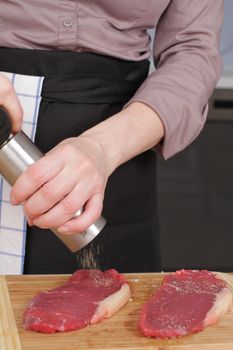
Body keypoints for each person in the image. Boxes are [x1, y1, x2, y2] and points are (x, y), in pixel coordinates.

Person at [0, 1, 224, 274]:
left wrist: (102, 149)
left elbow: (192, 51)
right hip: (5, 108)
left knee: (108, 304)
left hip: (121, 142)